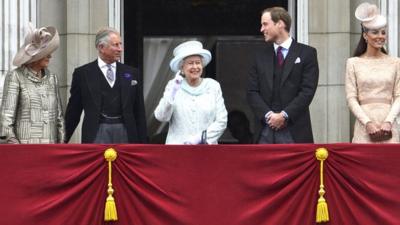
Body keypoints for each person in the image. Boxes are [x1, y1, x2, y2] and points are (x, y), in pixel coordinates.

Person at [247, 7, 319, 144]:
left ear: (280, 24)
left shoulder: (307, 53)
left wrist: (284, 115)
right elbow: (251, 92)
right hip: (264, 131)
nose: (262, 29)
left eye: (265, 24)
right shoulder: (259, 56)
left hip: (294, 130)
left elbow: (307, 91)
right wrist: (269, 116)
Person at [65, 27, 147, 143]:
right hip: (96, 132)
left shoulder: (132, 73)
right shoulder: (83, 74)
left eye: (120, 44)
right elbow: (74, 111)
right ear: (101, 47)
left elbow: (139, 112)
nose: (120, 49)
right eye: (115, 45)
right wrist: (61, 141)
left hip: (126, 132)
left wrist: (144, 145)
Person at [0, 25, 65, 143]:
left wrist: (61, 147)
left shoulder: (52, 78)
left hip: (52, 152)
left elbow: (59, 118)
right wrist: (18, 150)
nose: (50, 56)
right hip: (26, 152)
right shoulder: (16, 77)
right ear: (34, 56)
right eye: (46, 52)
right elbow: (6, 120)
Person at [345, 3, 400, 143]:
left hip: (389, 125)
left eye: (383, 32)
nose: (380, 36)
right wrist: (367, 122)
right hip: (364, 126)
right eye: (375, 32)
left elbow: (399, 96)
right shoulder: (353, 63)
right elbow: (351, 98)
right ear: (365, 35)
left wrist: (389, 121)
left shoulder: (396, 62)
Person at [154, 40, 227, 144]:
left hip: (206, 150)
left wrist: (201, 138)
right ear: (182, 68)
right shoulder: (173, 85)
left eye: (198, 63)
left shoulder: (213, 86)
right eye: (190, 63)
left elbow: (222, 121)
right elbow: (161, 116)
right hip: (178, 150)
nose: (195, 67)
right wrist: (172, 93)